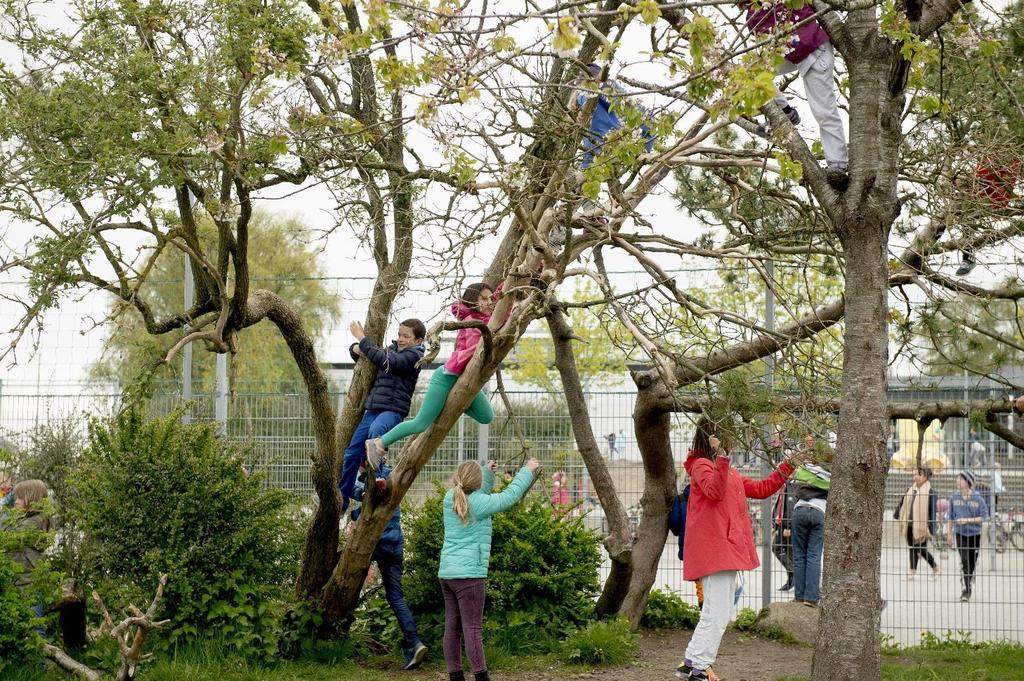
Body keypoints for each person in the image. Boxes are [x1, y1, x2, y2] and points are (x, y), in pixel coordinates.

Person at [676, 418, 806, 681]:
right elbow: (713, 490)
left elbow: (761, 489)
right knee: (719, 611)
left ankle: (691, 661)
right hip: (715, 550)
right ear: (711, 437)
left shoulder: (728, 470)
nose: (730, 441)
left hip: (725, 549)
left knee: (716, 610)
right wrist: (723, 459)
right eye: (725, 436)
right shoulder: (701, 466)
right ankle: (700, 666)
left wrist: (789, 464)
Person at [368, 283, 503, 462]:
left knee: (486, 416)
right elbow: (474, 350)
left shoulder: (484, 321)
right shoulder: (473, 321)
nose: (490, 303)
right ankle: (378, 444)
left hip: (464, 381)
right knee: (421, 423)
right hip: (447, 378)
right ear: (472, 301)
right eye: (484, 299)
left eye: (491, 298)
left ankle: (447, 402)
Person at [439, 457, 539, 681]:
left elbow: (476, 494)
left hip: (447, 575)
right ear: (476, 482)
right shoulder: (479, 504)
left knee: (452, 628)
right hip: (470, 577)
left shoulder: (450, 498)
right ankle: (481, 677)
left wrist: (487, 473)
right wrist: (527, 471)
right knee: (472, 630)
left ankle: (456, 676)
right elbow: (509, 496)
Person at [741, 0, 848, 186]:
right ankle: (786, 112)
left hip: (815, 50)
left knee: (824, 111)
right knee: (751, 72)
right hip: (792, 52)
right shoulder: (754, 14)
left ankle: (837, 165)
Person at [339, 318, 426, 506]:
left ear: (418, 341)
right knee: (351, 453)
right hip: (373, 408)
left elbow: (386, 360)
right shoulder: (392, 350)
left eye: (406, 336)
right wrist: (355, 348)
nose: (401, 339)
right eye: (399, 334)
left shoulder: (414, 357)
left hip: (393, 409)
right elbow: (372, 356)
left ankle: (379, 477)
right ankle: (342, 498)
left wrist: (362, 337)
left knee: (375, 433)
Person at [349, 464, 427, 670]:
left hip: (375, 543)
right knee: (396, 597)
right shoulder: (393, 475)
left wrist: (354, 514)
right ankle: (414, 642)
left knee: (351, 584)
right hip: (395, 543)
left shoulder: (372, 478)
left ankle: (336, 632)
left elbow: (360, 496)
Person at [956, 157, 1019, 275]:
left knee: (967, 215)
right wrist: (962, 178)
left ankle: (968, 258)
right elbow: (979, 173)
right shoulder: (989, 153)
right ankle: (939, 231)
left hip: (994, 198)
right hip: (981, 191)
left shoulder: (1009, 156)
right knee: (960, 206)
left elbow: (1006, 185)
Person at [2, 479, 52, 629]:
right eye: (14, 497)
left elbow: (8, 534)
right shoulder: (22, 519)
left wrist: (4, 505)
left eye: (19, 498)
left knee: (35, 629)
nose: (15, 502)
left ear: (32, 499)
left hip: (30, 586)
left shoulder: (37, 521)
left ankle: (42, 653)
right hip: (17, 583)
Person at [790, 434, 830, 607]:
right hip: (819, 511)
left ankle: (798, 596)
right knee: (814, 555)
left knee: (799, 555)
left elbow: (795, 486)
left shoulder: (803, 468)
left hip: (799, 510)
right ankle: (811, 598)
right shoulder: (829, 471)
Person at [948, 471, 988, 602]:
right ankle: (966, 590)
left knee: (972, 562)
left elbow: (984, 517)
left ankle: (968, 580)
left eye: (960, 479)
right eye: (957, 479)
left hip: (975, 534)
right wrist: (949, 534)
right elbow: (950, 517)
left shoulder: (978, 498)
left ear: (968, 482)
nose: (957, 481)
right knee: (965, 560)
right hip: (960, 533)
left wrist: (967, 520)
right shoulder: (954, 498)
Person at [894, 466, 940, 580]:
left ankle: (935, 568)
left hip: (922, 526)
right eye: (913, 474)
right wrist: (897, 514)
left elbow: (932, 511)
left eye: (917, 474)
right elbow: (903, 502)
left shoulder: (931, 492)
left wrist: (931, 527)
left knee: (921, 549)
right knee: (912, 547)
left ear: (924, 477)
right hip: (909, 524)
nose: (914, 476)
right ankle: (912, 572)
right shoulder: (911, 489)